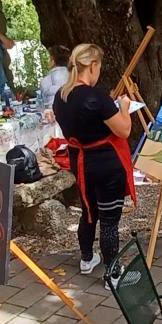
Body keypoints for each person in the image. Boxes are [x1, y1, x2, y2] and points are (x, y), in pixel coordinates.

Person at [53, 43, 134, 283]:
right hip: (106, 164)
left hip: (80, 162)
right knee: (109, 221)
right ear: (92, 66)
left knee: (88, 212)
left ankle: (87, 258)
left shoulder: (61, 96)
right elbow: (124, 130)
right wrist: (124, 108)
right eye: (99, 66)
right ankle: (113, 274)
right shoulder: (96, 96)